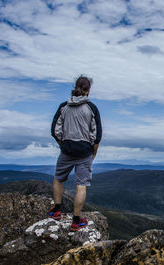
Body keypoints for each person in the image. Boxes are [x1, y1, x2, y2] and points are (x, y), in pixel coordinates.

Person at [48, 75, 102, 231]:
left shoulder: (64, 106)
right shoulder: (91, 108)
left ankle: (56, 210)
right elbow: (96, 135)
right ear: (88, 90)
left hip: (67, 149)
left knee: (58, 178)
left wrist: (62, 145)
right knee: (81, 185)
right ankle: (76, 221)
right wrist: (93, 153)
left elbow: (55, 130)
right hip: (85, 151)